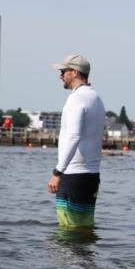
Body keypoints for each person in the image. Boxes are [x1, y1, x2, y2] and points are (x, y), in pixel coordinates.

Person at [46, 54, 106, 229]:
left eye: (63, 71)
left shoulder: (76, 99)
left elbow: (73, 136)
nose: (60, 76)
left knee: (68, 229)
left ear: (74, 72)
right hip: (92, 175)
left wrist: (58, 173)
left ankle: (70, 257)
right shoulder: (96, 98)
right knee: (84, 228)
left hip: (73, 174)